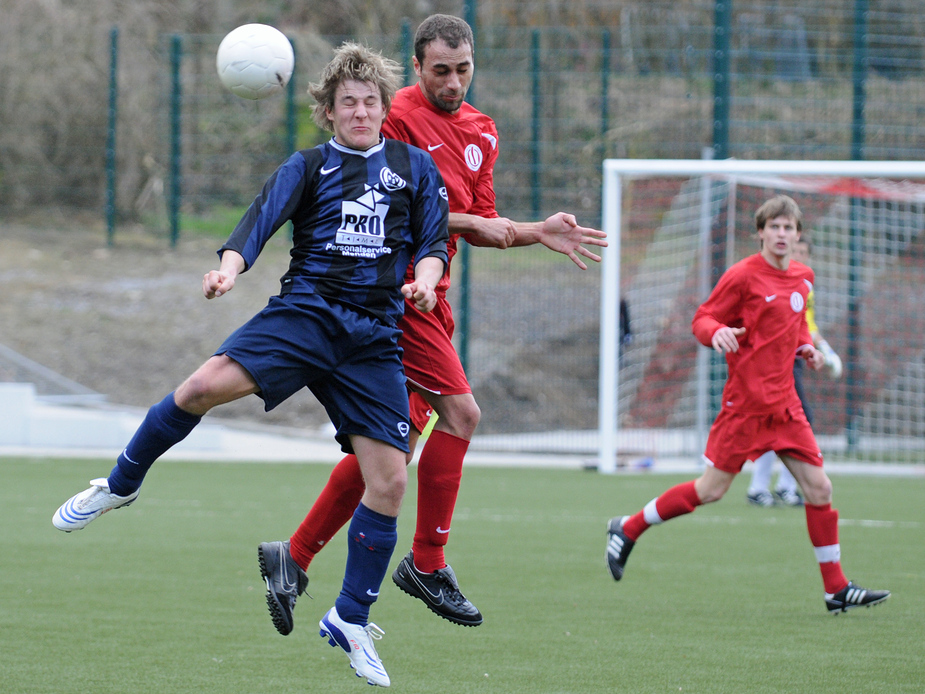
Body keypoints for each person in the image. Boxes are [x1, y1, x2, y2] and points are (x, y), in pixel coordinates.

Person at [53, 42, 449, 687]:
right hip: (306, 315)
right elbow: (257, 225)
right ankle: (120, 485)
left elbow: (432, 242)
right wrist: (227, 271)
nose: (359, 111)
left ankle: (350, 618)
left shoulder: (415, 167)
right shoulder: (309, 166)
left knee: (389, 481)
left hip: (374, 333)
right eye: (347, 102)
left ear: (383, 108)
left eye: (370, 101)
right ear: (328, 111)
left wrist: (426, 282)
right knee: (200, 387)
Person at [257, 12, 608, 637]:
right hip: (389, 297)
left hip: (432, 298)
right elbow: (397, 213)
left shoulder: (482, 131)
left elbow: (484, 224)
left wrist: (535, 232)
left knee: (395, 443)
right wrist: (472, 227)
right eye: (440, 71)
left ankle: (296, 555)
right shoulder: (392, 120)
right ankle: (426, 562)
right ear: (417, 67)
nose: (453, 82)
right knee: (463, 415)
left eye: (463, 69)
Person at [605, 195, 890, 614]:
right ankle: (627, 527)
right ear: (760, 232)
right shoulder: (742, 276)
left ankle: (836, 588)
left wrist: (807, 349)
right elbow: (702, 317)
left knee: (819, 488)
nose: (780, 234)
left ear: (797, 235)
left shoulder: (803, 279)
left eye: (788, 228)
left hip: (786, 407)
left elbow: (794, 330)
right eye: (773, 227)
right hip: (746, 407)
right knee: (710, 490)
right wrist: (715, 331)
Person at [746, 238, 843, 507]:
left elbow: (808, 326)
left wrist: (824, 350)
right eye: (794, 251)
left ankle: (772, 487)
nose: (797, 256)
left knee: (781, 423)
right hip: (775, 360)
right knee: (793, 421)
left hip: (795, 357)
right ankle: (770, 487)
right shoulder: (771, 280)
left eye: (802, 252)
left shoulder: (805, 287)